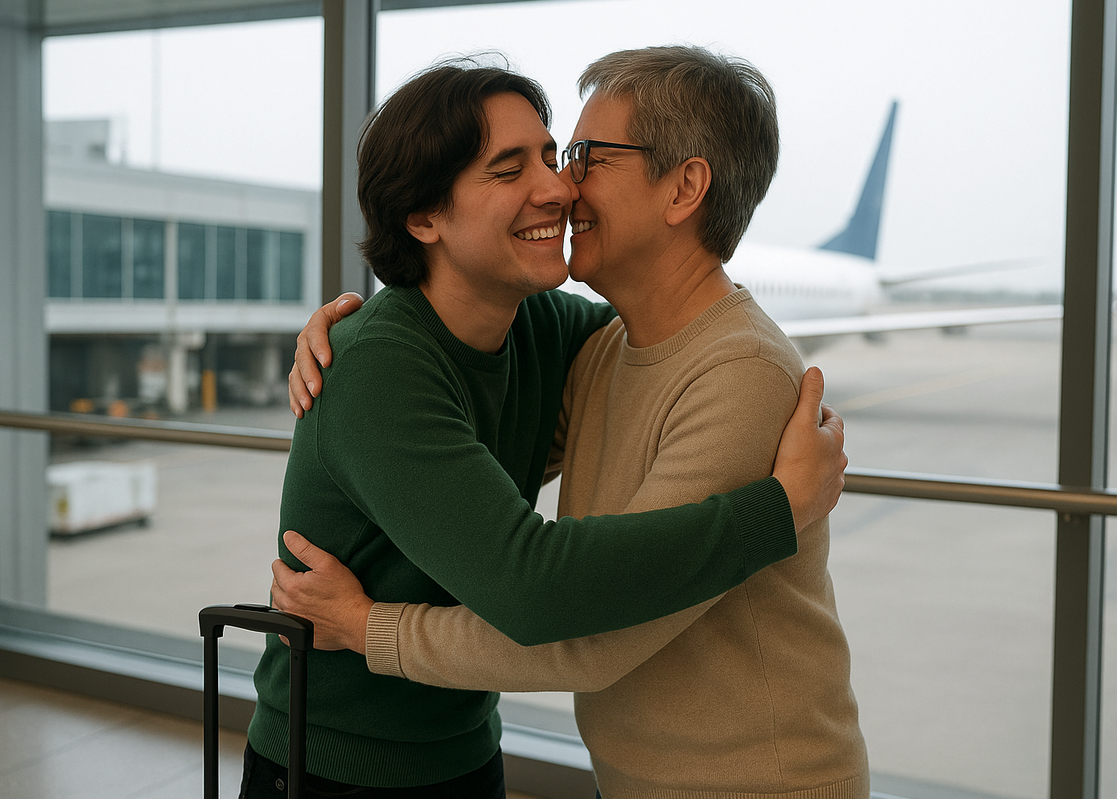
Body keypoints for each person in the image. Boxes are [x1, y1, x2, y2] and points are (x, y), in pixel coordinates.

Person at [243, 56, 846, 798]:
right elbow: (538, 587)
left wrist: (372, 626)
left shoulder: (577, 338)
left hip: (497, 752)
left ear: (685, 187)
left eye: (569, 156)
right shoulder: (393, 362)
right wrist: (778, 512)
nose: (561, 186)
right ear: (424, 218)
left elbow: (688, 342)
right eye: (511, 169)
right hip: (337, 764)